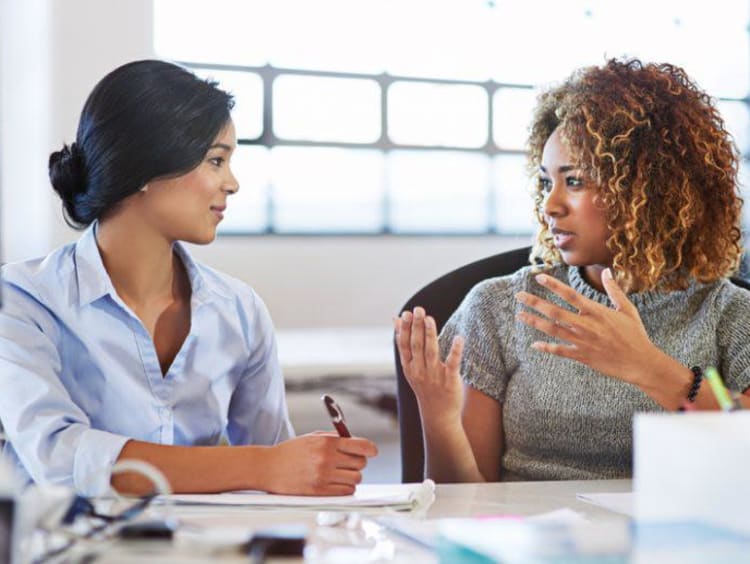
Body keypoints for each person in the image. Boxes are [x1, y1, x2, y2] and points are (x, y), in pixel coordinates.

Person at [0, 60, 377, 497]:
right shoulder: (22, 299)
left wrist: (307, 469)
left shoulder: (240, 309)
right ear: (143, 167)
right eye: (216, 160)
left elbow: (276, 464)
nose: (232, 184)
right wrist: (259, 466)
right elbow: (59, 457)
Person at [396, 58, 750, 483]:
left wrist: (650, 368)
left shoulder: (730, 317)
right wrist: (438, 418)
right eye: (547, 181)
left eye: (575, 181)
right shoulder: (500, 307)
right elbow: (468, 504)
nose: (550, 205)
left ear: (648, 189)